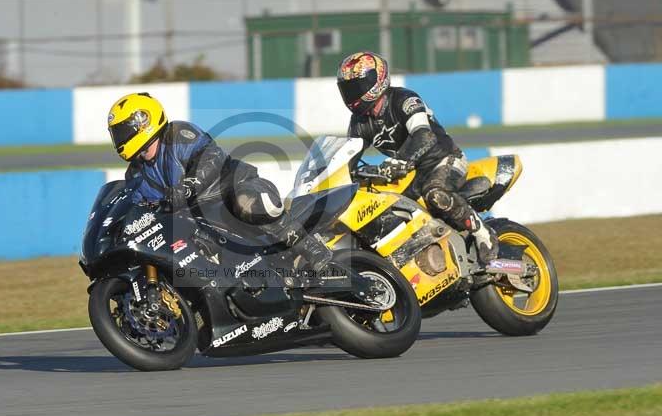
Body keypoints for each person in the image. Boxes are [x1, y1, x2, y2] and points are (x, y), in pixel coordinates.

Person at [107, 92, 332, 270]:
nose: (120, 139)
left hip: (228, 190)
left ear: (143, 121)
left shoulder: (178, 133)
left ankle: (312, 249)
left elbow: (211, 157)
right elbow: (139, 208)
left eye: (123, 131)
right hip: (193, 218)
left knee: (247, 202)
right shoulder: (135, 175)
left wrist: (187, 187)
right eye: (116, 133)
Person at [336, 51, 499, 265]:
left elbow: (424, 134)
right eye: (347, 89)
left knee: (435, 193)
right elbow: (351, 153)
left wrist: (400, 161)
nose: (352, 94)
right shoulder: (359, 122)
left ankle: (483, 233)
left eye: (357, 86)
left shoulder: (404, 99)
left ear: (377, 80)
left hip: (445, 160)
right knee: (385, 208)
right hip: (411, 175)